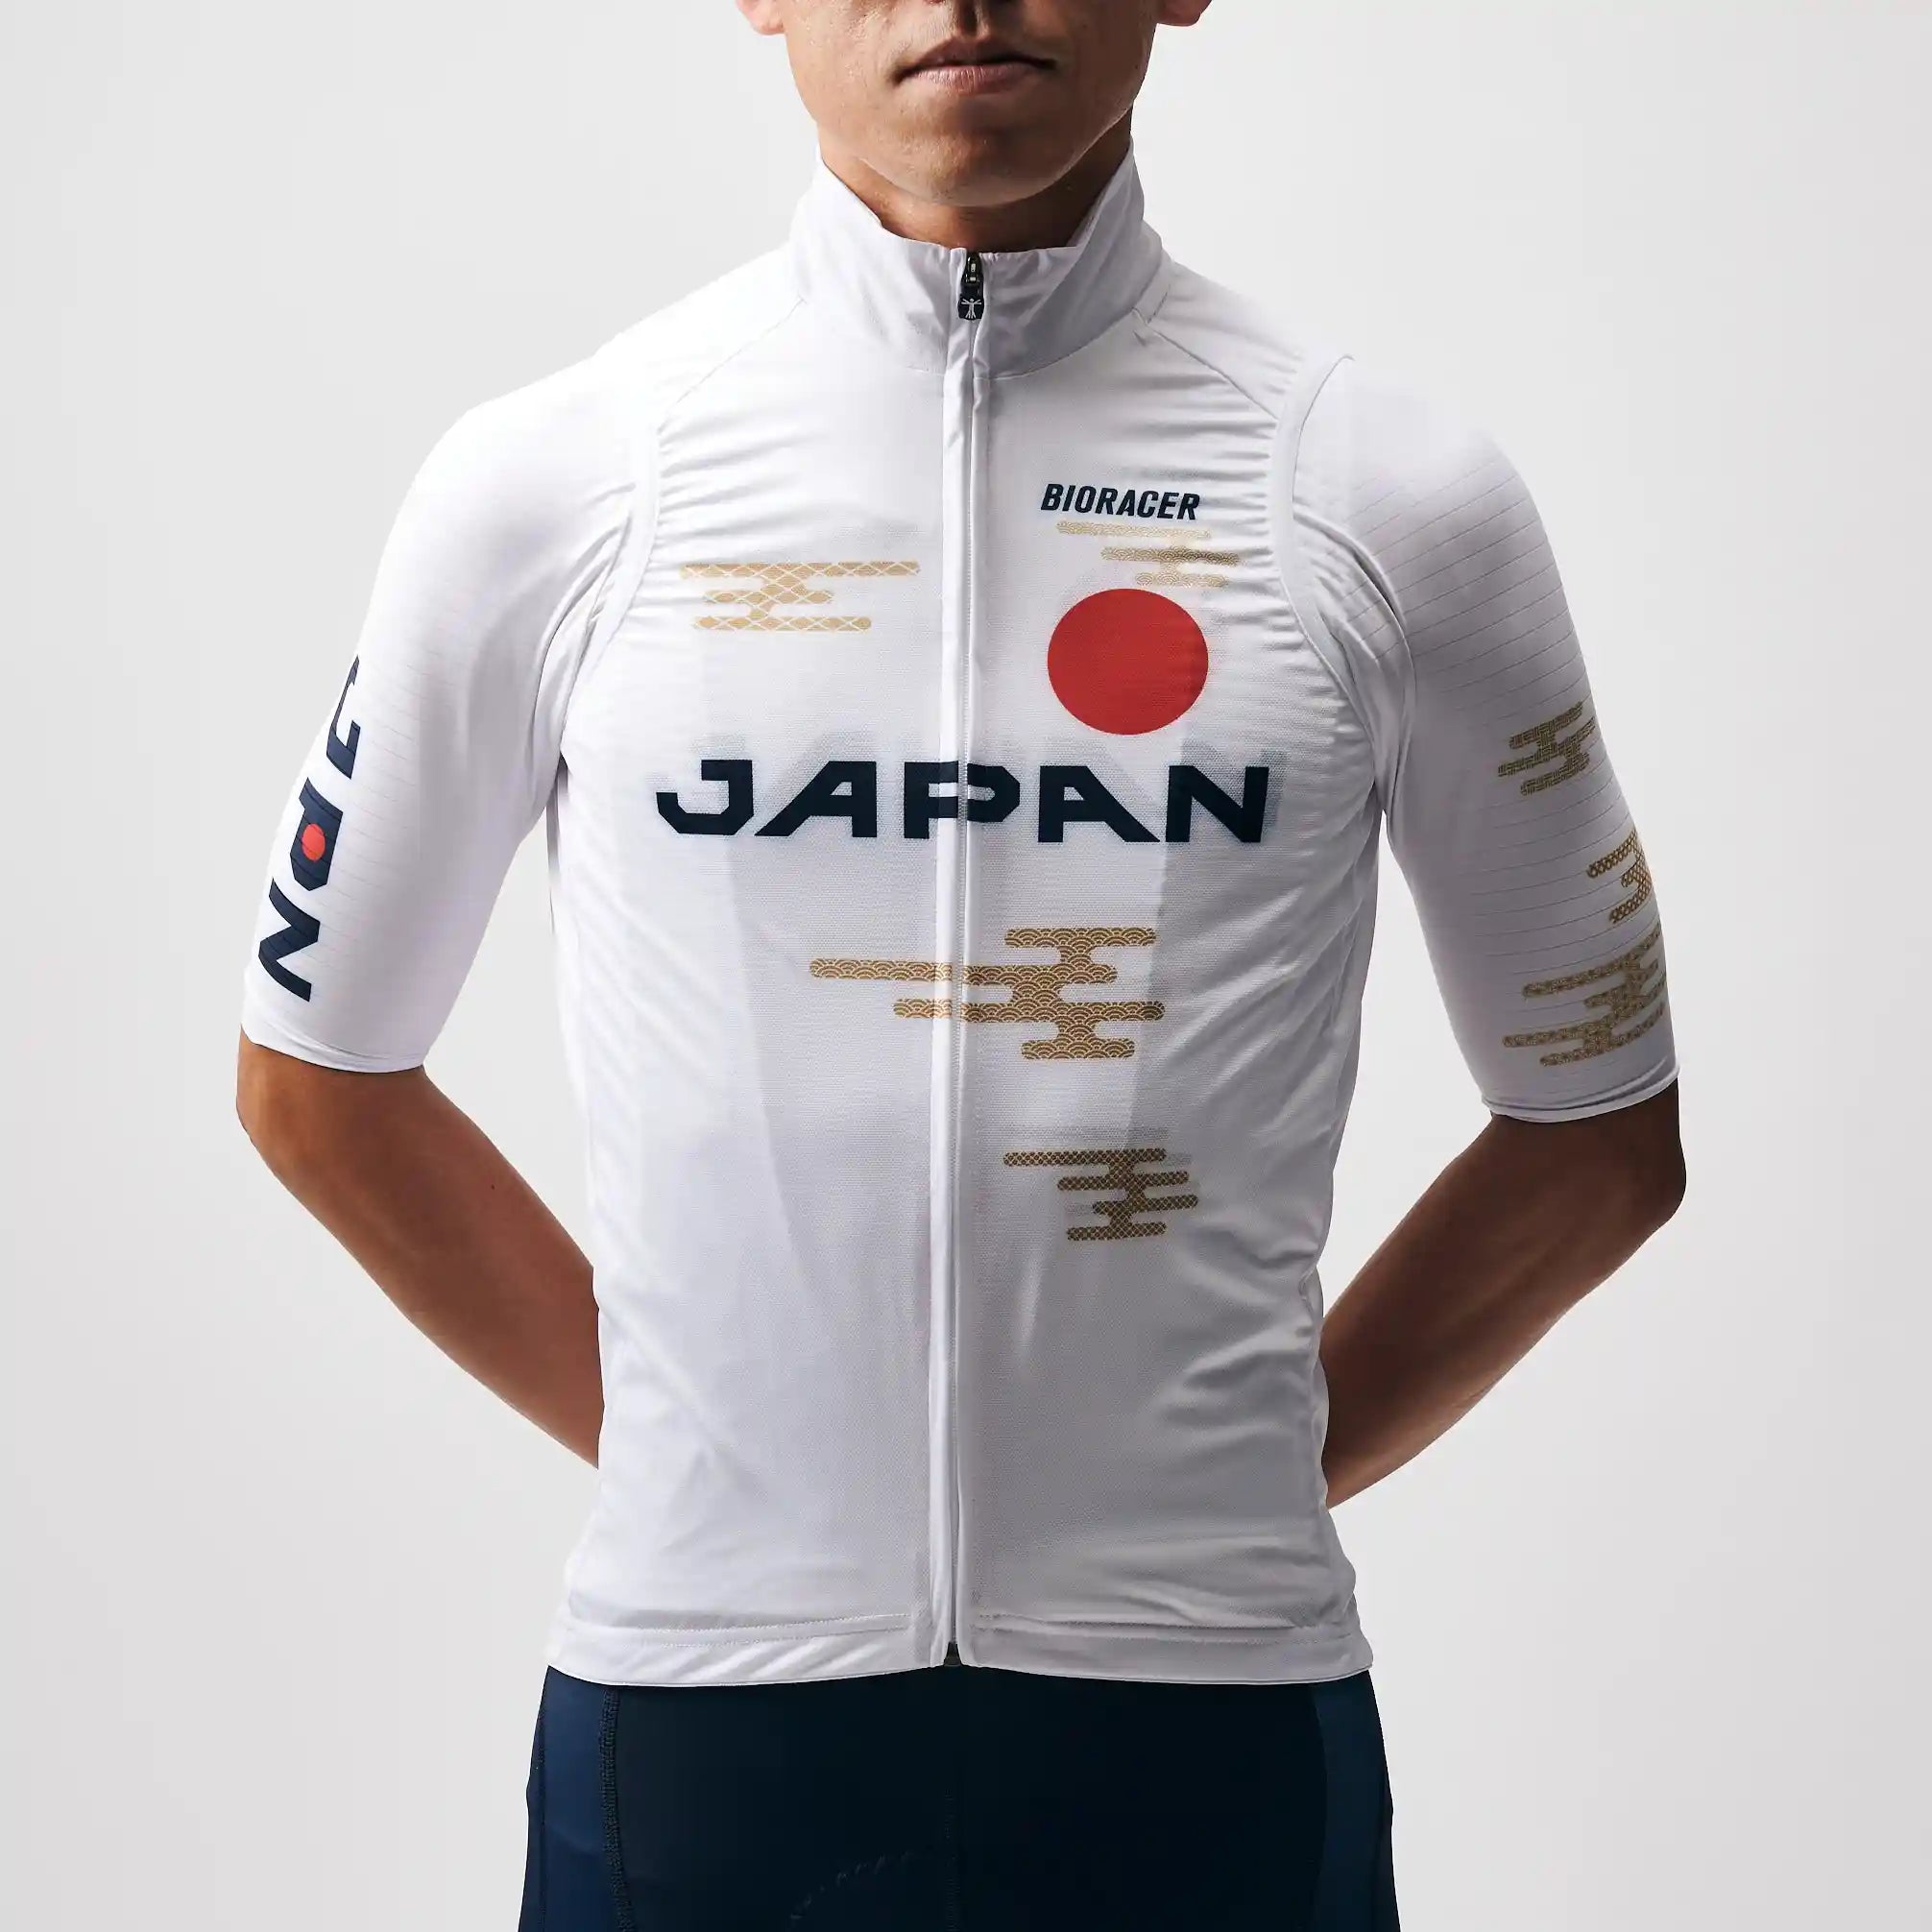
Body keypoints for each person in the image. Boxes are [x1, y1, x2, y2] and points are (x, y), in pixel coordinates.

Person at [234, 3, 1686, 1924]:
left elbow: (1596, 1133)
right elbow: (317, 1075)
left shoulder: (1387, 493)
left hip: (1212, 1714)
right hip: (701, 1711)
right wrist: (710, 1459)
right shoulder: (560, 478)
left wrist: (1232, 1478)